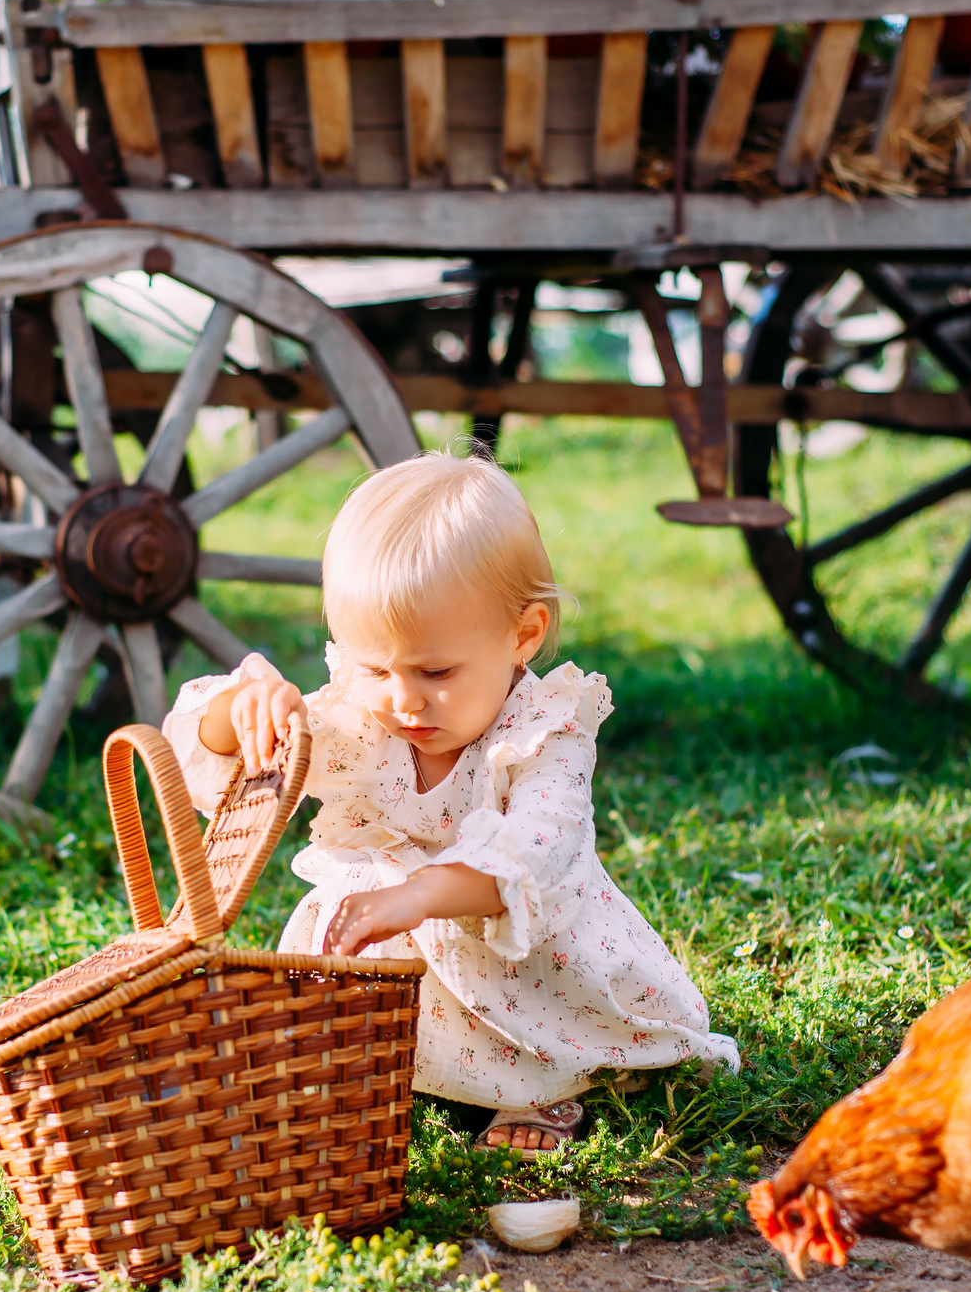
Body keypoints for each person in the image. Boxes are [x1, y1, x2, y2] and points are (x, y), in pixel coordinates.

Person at [165, 452, 738, 1154]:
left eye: (435, 670)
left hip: (516, 946)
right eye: (375, 667)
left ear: (522, 636)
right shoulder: (362, 717)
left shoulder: (545, 731)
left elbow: (537, 847)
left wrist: (421, 893)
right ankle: (388, 1062)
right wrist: (240, 705)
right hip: (392, 931)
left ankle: (542, 1087)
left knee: (539, 986)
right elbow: (226, 764)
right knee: (324, 962)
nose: (403, 698)